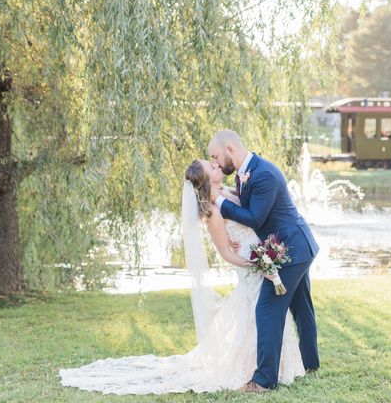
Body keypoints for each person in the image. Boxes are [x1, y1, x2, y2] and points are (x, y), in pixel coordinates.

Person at [59, 159, 305, 395]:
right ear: (207, 180)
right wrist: (256, 263)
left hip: (260, 260)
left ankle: (277, 368)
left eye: (214, 161)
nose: (216, 164)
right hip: (250, 266)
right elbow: (226, 253)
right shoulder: (213, 212)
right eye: (211, 165)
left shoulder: (229, 191)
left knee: (265, 314)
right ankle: (255, 369)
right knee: (257, 314)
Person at [208, 129, 320, 393]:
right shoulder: (244, 174)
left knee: (267, 308)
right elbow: (248, 210)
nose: (215, 162)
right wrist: (227, 200)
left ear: (230, 149)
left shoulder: (264, 174)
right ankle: (310, 363)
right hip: (295, 244)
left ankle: (263, 380)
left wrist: (220, 201)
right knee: (301, 307)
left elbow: (255, 218)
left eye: (215, 156)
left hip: (293, 248)